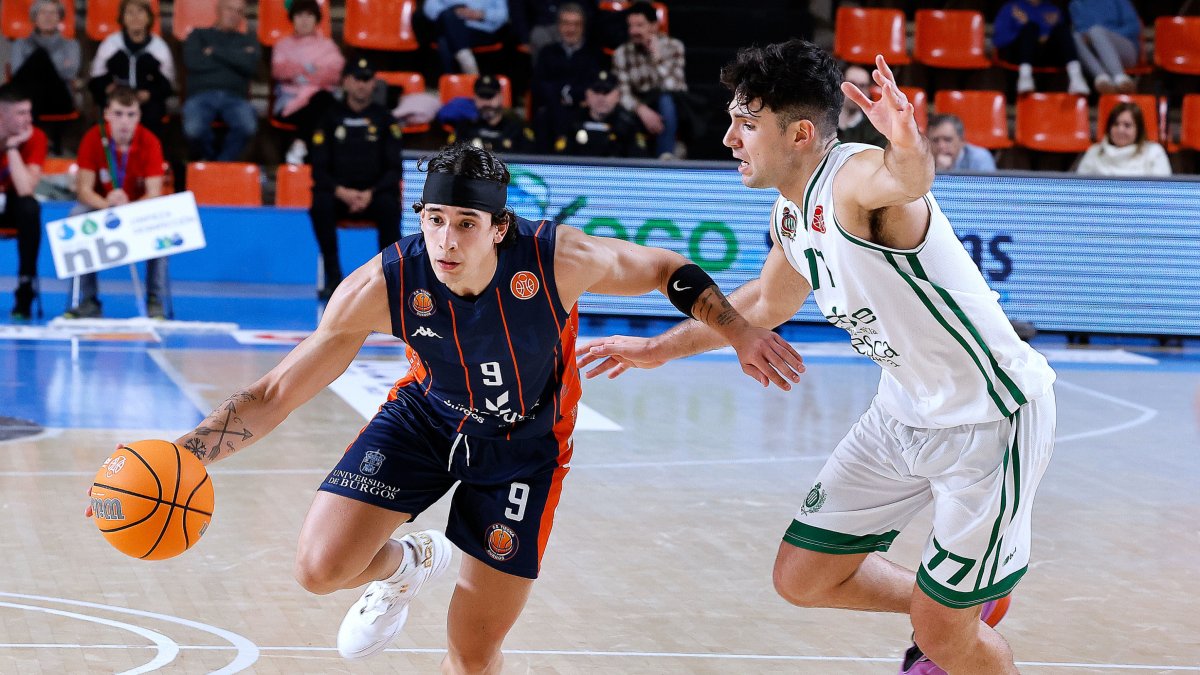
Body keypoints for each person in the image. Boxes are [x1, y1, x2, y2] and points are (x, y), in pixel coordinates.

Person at [144, 142, 803, 669]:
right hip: (427, 417)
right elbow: (273, 392)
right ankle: (408, 563)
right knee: (318, 569)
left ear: (499, 226)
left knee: (472, 651)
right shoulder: (384, 284)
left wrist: (739, 330)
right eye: (435, 220)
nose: (447, 240)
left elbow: (667, 268)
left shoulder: (557, 259)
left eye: (466, 224)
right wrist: (180, 455)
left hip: (525, 447)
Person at [577, 41, 1057, 675]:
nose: (728, 139)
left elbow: (906, 179)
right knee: (802, 578)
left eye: (746, 125)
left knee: (942, 639)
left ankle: (952, 620)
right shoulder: (791, 213)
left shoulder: (856, 178)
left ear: (800, 133)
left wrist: (907, 142)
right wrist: (657, 350)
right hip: (901, 414)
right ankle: (955, 605)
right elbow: (765, 302)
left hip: (988, 420)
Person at [62, 86, 167, 319]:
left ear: (139, 116)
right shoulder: (92, 138)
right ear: (107, 114)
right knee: (77, 215)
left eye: (131, 115)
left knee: (163, 223)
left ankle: (154, 299)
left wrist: (128, 207)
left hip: (136, 209)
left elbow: (154, 192)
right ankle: (87, 300)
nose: (125, 122)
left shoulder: (150, 142)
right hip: (102, 208)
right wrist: (108, 205)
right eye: (118, 114)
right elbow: (84, 190)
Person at [309, 59, 404, 302]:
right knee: (320, 203)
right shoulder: (328, 118)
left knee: (390, 206)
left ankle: (387, 280)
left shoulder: (385, 120)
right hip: (338, 194)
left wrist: (371, 192)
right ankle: (333, 277)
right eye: (357, 79)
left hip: (374, 194)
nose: (362, 85)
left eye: (367, 79)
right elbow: (318, 168)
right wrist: (341, 191)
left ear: (373, 83)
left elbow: (394, 169)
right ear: (346, 82)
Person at [181, 0, 260, 161]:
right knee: (193, 129)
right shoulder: (198, 35)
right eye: (230, 9)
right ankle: (212, 160)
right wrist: (236, 57)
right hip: (201, 95)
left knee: (248, 126)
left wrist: (214, 52)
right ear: (218, 10)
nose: (233, 15)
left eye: (239, 11)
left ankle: (220, 163)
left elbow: (250, 67)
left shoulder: (249, 39)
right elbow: (193, 62)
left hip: (235, 97)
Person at [88, 0, 175, 142]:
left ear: (149, 17)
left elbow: (167, 86)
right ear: (122, 18)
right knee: (107, 115)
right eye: (130, 13)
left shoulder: (160, 48)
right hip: (116, 98)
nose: (135, 17)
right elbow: (95, 80)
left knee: (153, 115)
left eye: (140, 12)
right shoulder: (110, 44)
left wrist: (149, 94)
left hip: (146, 101)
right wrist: (107, 88)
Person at [271, 0, 344, 166]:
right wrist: (314, 70)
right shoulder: (283, 46)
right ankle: (316, 161)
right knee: (323, 107)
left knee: (321, 99)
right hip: (291, 103)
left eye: (309, 15)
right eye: (299, 15)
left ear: (316, 20)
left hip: (320, 101)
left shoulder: (328, 46)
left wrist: (300, 73)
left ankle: (300, 145)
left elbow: (334, 74)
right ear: (292, 19)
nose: (304, 20)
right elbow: (280, 70)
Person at [612, 1, 687, 159]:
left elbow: (676, 87)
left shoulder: (674, 47)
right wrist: (641, 109)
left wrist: (657, 59)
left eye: (639, 25)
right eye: (631, 26)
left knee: (666, 101)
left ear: (654, 26)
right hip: (637, 107)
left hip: (666, 105)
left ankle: (665, 158)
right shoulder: (621, 53)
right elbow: (623, 92)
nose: (633, 31)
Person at [0, 86, 46, 321]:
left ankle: (25, 286)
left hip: (12, 206)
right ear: (2, 115)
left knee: (30, 206)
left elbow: (25, 188)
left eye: (29, 112)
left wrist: (11, 147)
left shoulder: (35, 137)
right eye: (21, 113)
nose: (28, 119)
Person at [530, 3, 603, 151]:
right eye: (566, 24)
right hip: (551, 110)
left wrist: (565, 93)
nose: (571, 29)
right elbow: (539, 85)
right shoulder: (547, 52)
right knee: (543, 117)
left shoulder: (593, 54)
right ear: (559, 26)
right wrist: (568, 93)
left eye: (576, 24)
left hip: (583, 112)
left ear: (583, 27)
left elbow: (593, 87)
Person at [993, 0, 1089, 95]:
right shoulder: (1011, 8)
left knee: (1062, 29)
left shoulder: (1052, 10)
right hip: (1017, 56)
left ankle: (1076, 77)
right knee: (1030, 27)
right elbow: (999, 40)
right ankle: (1024, 77)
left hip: (1046, 56)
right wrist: (1023, 28)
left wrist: (1045, 34)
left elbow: (1061, 40)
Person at [8, 0, 80, 125]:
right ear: (34, 18)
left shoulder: (71, 44)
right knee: (39, 58)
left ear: (60, 18)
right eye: (43, 12)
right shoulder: (20, 43)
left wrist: (39, 66)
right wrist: (56, 65)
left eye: (53, 13)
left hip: (58, 98)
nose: (48, 16)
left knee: (39, 57)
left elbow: (70, 73)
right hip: (28, 98)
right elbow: (17, 74)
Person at [554, 71, 649, 158]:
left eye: (606, 92)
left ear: (618, 96)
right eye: (596, 92)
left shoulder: (629, 124)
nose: (601, 98)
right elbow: (559, 159)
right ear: (587, 95)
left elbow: (639, 162)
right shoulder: (572, 122)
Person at [1076, 102, 1171, 176]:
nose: (1120, 130)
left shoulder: (1154, 153)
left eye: (1127, 125)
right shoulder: (1094, 152)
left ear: (1138, 129)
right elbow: (1079, 190)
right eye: (1116, 124)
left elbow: (1163, 193)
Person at [449, 75, 535, 154]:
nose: (486, 103)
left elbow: (532, 163)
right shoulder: (464, 127)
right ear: (474, 98)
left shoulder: (517, 129)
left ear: (500, 97)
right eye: (482, 96)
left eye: (490, 96)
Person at [1069, 0, 1140, 94]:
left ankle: (1120, 78)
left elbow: (1133, 26)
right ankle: (1102, 78)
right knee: (1075, 36)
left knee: (1096, 31)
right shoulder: (1076, 4)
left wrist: (1104, 37)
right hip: (1096, 54)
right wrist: (1093, 38)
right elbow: (1081, 30)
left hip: (1124, 49)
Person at [422, 0, 510, 76]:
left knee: (444, 40)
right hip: (449, 24)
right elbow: (429, 6)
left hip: (480, 29)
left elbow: (503, 14)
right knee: (448, 18)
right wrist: (454, 14)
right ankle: (468, 67)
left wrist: (481, 14)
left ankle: (453, 83)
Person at [927, 114, 997, 173]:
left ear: (962, 141)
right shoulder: (922, 159)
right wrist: (939, 171)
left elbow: (988, 188)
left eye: (948, 140)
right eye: (935, 140)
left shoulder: (980, 158)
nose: (941, 146)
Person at [837, 64, 886, 148]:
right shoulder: (824, 121)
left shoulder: (876, 129)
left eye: (862, 86)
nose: (857, 91)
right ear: (839, 86)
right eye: (852, 84)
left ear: (868, 92)